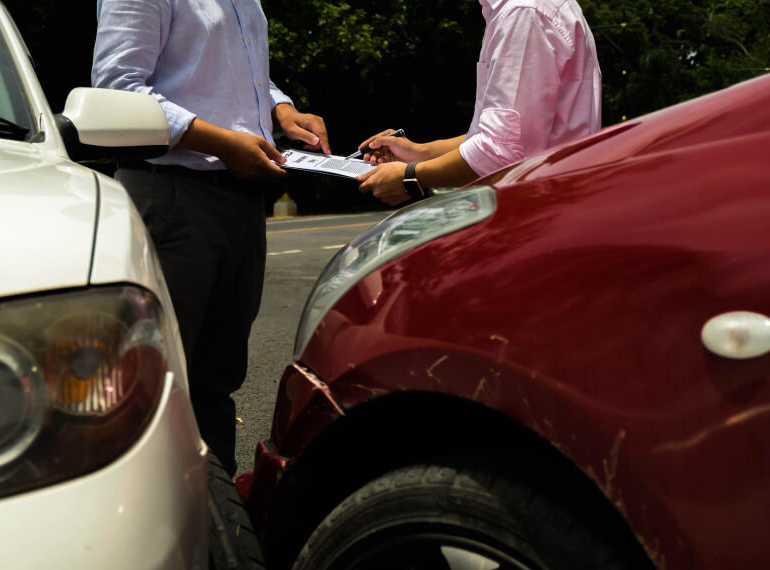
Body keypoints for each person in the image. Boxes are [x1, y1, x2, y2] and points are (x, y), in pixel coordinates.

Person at [91, 0, 330, 476]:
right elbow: (118, 90)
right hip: (172, 195)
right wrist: (223, 143)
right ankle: (147, 512)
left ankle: (215, 511)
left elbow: (237, 75)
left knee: (216, 380)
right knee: (156, 380)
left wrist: (281, 109)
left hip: (240, 196)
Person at [357, 0, 602, 205]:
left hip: (534, 214)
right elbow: (508, 139)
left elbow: (500, 151)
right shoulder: (523, 10)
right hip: (550, 208)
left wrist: (410, 176)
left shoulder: (522, 13)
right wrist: (419, 153)